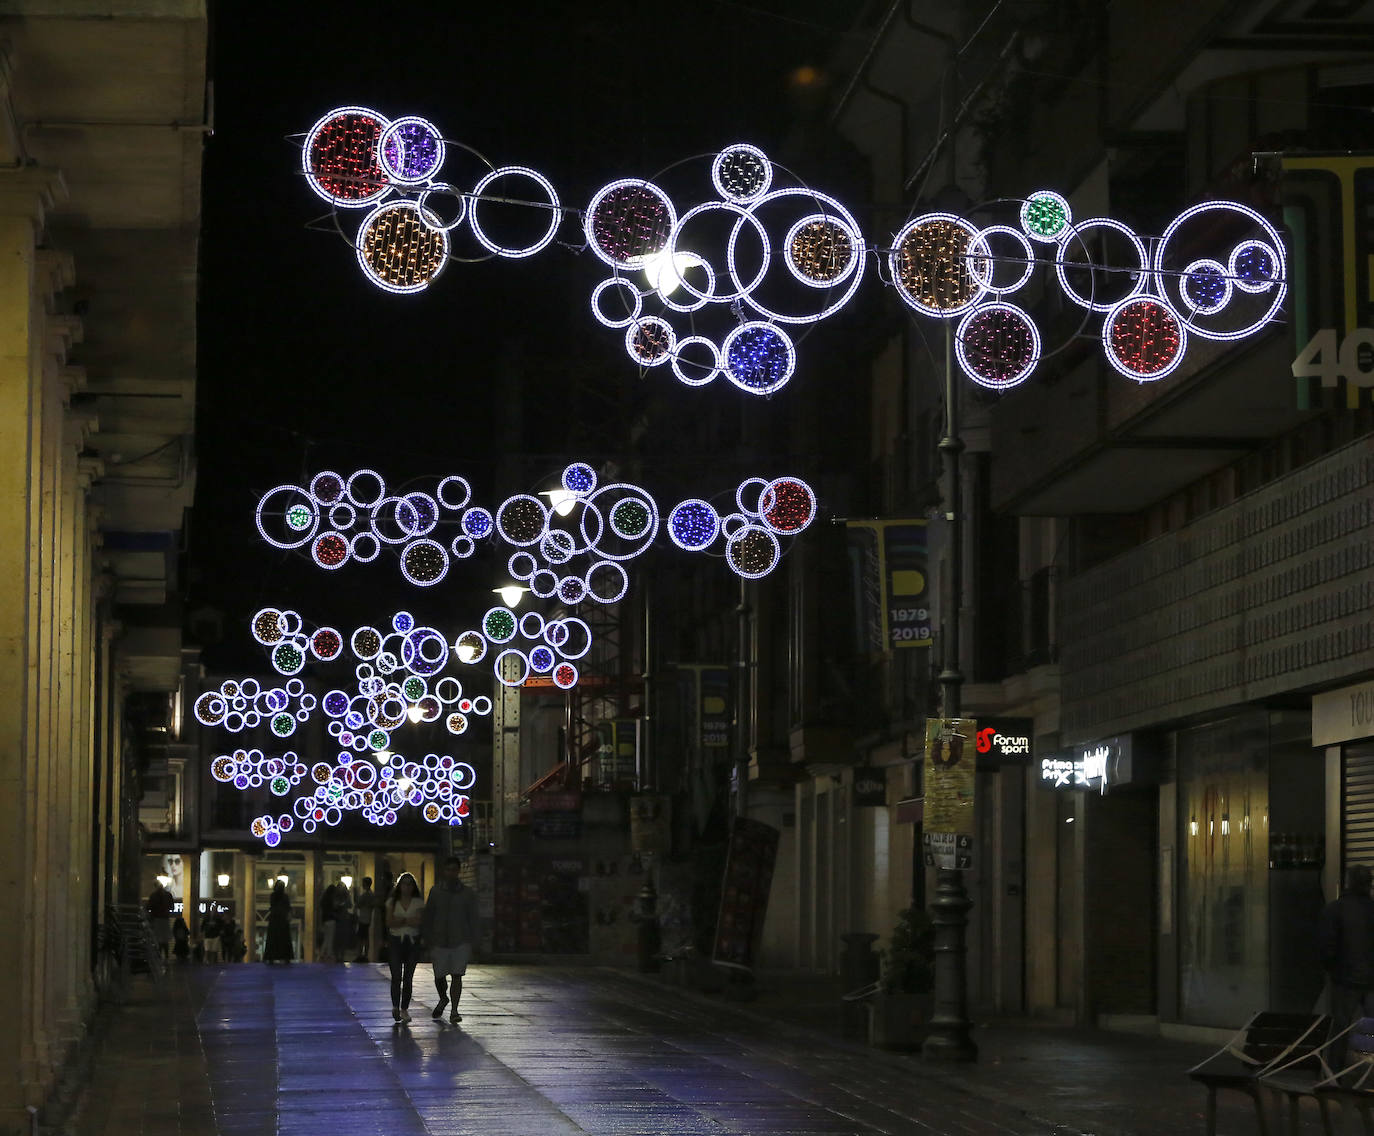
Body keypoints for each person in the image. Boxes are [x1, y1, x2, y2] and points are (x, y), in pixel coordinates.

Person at [1319, 863, 1374, 1070]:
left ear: (1348, 882)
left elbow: (1326, 946)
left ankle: (1335, 1074)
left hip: (1344, 980)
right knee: (1372, 1029)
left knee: (1340, 1029)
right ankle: (1367, 1073)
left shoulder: (1335, 909)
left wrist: (1333, 970)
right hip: (1371, 981)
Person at [421, 856, 479, 1024]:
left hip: (460, 939)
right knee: (439, 975)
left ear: (458, 871)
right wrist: (427, 938)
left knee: (457, 975)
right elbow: (429, 915)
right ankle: (443, 998)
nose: (451, 873)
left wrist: (475, 940)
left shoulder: (467, 893)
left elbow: (473, 917)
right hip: (439, 940)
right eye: (448, 870)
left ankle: (454, 1010)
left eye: (454, 870)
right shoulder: (436, 891)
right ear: (444, 871)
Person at [386, 872, 424, 1022]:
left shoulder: (418, 903)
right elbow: (389, 922)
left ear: (413, 887)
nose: (406, 887)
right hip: (395, 940)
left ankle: (404, 1009)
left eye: (409, 884)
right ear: (399, 885)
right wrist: (408, 920)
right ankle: (395, 1006)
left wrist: (400, 920)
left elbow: (419, 921)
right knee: (396, 976)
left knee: (408, 977)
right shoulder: (392, 902)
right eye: (404, 884)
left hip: (412, 941)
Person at [263, 879, 293, 963]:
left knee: (273, 939)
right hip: (282, 920)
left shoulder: (273, 896)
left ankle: (271, 957)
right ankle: (285, 957)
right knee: (284, 939)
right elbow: (288, 907)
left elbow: (273, 906)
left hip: (275, 920)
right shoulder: (285, 896)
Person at [146, 881, 174, 960]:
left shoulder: (153, 895)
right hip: (165, 919)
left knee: (158, 939)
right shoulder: (168, 895)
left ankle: (159, 956)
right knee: (165, 939)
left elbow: (148, 907)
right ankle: (166, 956)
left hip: (157, 919)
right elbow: (172, 907)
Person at [354, 877, 379, 963]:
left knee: (361, 938)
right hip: (368, 918)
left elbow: (358, 904)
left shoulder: (365, 895)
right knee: (365, 937)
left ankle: (360, 954)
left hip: (363, 918)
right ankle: (365, 954)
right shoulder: (372, 895)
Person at [319, 879, 339, 962]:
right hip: (331, 920)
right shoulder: (332, 899)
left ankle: (322, 953)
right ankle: (329, 954)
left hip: (325, 920)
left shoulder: (324, 900)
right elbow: (335, 907)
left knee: (326, 938)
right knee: (330, 938)